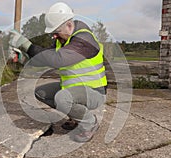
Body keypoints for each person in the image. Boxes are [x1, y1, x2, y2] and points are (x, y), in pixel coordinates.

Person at [9, 2, 107, 142]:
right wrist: (23, 59)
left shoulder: (84, 40)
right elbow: (45, 58)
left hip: (94, 92)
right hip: (75, 89)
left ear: (68, 25)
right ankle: (76, 118)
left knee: (62, 98)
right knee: (41, 93)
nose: (54, 36)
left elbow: (57, 59)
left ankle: (90, 123)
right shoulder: (62, 40)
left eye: (56, 32)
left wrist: (26, 45)